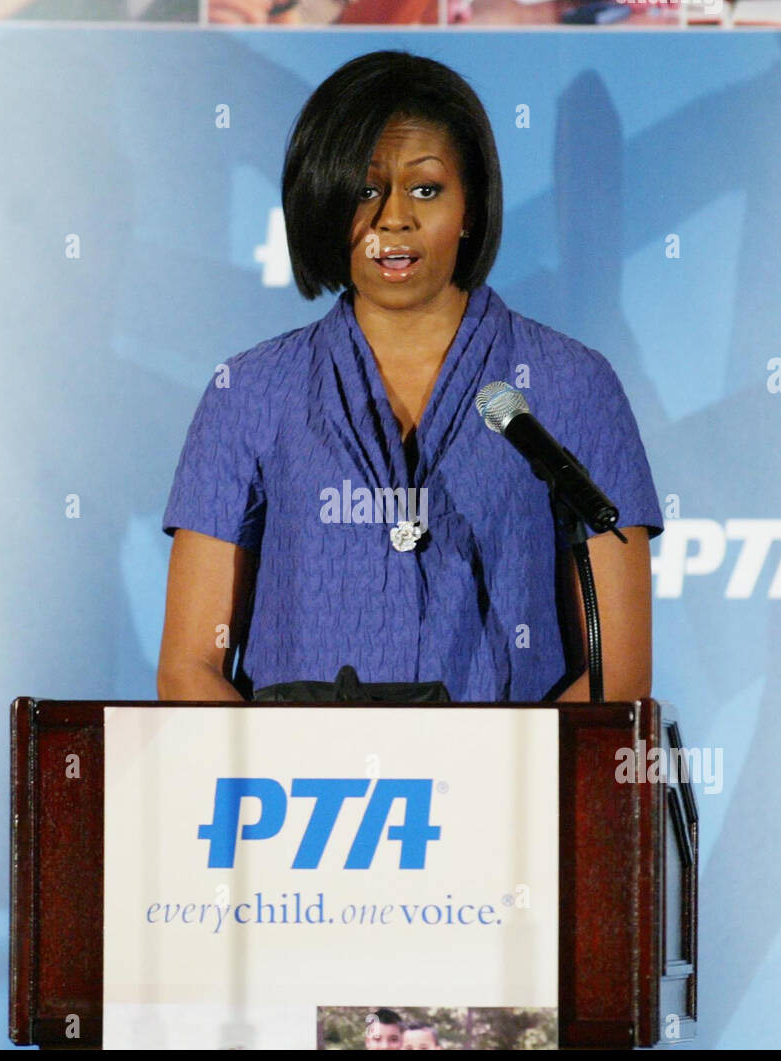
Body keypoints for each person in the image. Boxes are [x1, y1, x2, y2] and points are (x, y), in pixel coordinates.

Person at [158, 50, 663, 705]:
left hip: (509, 800)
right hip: (303, 802)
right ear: (324, 201)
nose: (393, 218)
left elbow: (615, 676)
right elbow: (190, 667)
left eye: (426, 188)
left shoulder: (573, 385)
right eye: (366, 190)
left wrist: (502, 795)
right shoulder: (248, 392)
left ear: (471, 209)